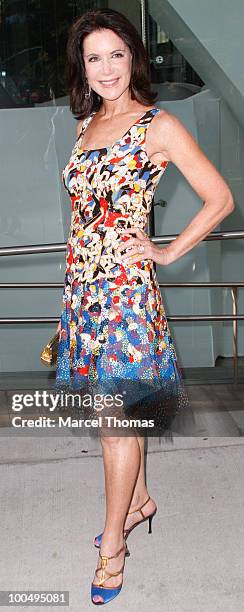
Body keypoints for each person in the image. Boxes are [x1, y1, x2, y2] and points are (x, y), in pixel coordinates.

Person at [54, 8, 235, 606]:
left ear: (135, 56)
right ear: (83, 67)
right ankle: (139, 501)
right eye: (94, 57)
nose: (106, 68)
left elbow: (220, 198)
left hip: (126, 297)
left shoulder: (157, 125)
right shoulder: (87, 124)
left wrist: (166, 251)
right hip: (85, 291)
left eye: (116, 54)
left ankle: (114, 544)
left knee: (114, 426)